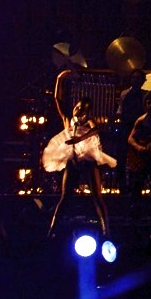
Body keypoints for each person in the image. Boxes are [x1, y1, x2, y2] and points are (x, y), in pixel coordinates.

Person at [43, 96, 117, 237]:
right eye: (77, 106)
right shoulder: (67, 121)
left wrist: (79, 139)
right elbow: (58, 99)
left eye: (82, 108)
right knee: (65, 196)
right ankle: (52, 229)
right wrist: (60, 78)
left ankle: (106, 230)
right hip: (73, 160)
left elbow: (95, 129)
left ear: (87, 111)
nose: (78, 109)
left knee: (96, 195)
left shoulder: (89, 121)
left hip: (87, 160)